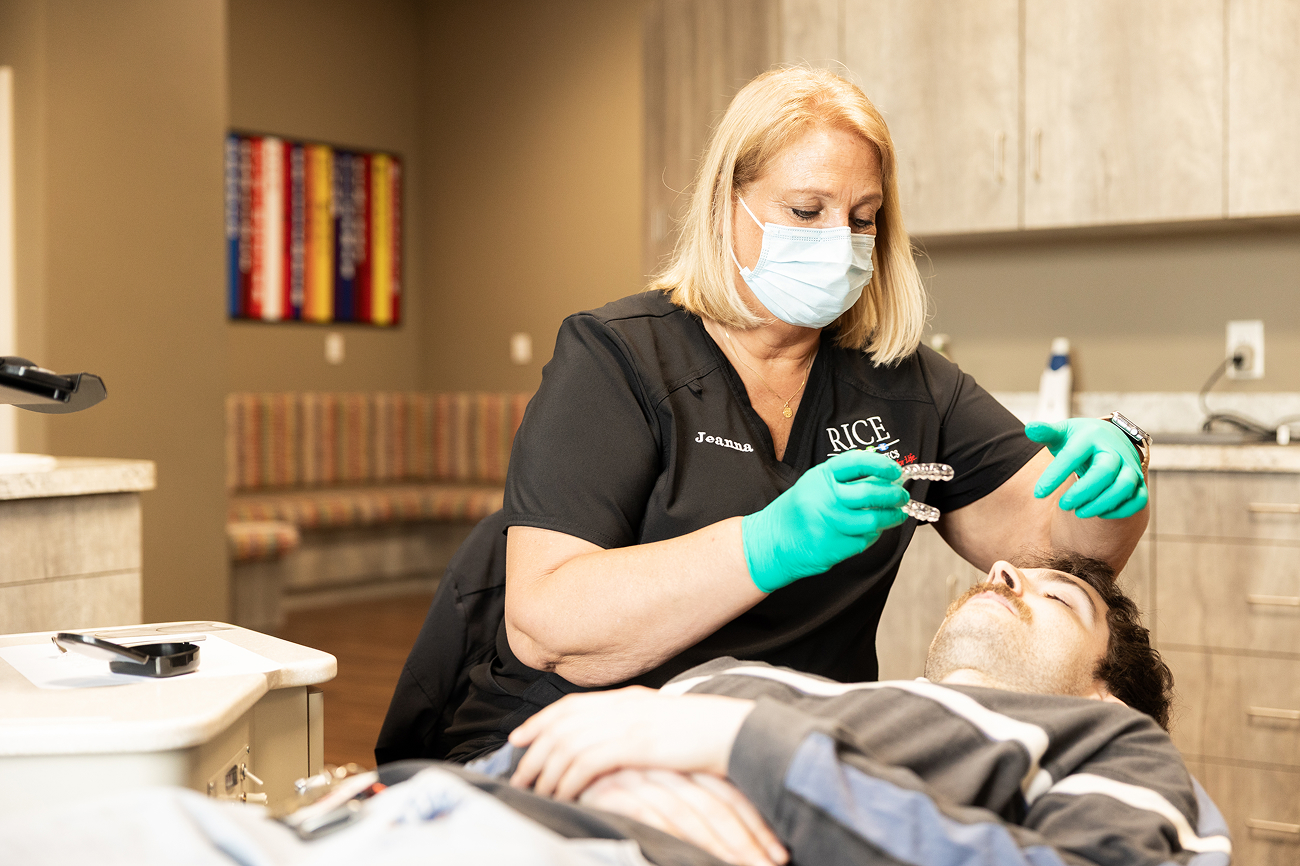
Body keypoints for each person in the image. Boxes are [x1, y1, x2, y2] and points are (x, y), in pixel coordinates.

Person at [435, 65, 1151, 762]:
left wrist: (1112, 483)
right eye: (806, 211)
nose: (838, 240)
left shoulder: (904, 384)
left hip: (785, 754)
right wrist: (766, 544)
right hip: (581, 743)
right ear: (727, 206)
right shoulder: (616, 359)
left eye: (862, 218)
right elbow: (546, 624)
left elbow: (1059, 551)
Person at [493, 551, 1230, 866]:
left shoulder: (1114, 743)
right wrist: (622, 776)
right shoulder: (793, 692)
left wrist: (744, 747)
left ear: (1104, 693)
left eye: (1060, 597)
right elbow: (563, 745)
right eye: (1007, 569)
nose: (1003, 569)